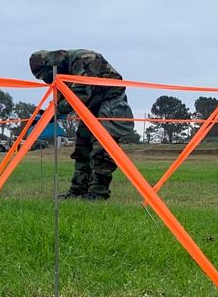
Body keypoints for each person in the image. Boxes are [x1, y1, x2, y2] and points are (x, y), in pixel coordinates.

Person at [29, 49, 138, 200]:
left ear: (50, 65)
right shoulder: (64, 70)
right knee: (82, 149)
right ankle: (78, 190)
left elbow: (81, 94)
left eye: (46, 76)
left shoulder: (85, 59)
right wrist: (46, 113)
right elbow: (62, 96)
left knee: (102, 150)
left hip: (109, 106)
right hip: (90, 108)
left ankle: (99, 192)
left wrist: (55, 113)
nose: (48, 80)